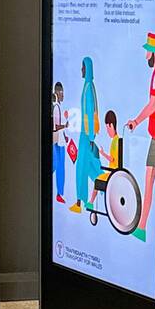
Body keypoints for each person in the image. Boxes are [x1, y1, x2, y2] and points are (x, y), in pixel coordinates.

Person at [126, 31, 155, 229]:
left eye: (147, 51)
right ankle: (141, 226)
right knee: (148, 178)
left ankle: (142, 226)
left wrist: (136, 121)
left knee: (149, 179)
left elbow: (154, 103)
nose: (145, 55)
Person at [70, 56, 100, 215]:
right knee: (87, 167)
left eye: (83, 67)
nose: (81, 70)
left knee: (82, 168)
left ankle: (79, 202)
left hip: (86, 135)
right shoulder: (88, 86)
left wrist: (90, 138)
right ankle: (99, 188)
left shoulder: (88, 87)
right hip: (86, 134)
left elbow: (90, 112)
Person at [51, 81, 68, 204]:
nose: (62, 94)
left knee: (59, 166)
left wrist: (65, 135)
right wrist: (65, 126)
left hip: (60, 140)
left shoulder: (58, 106)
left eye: (62, 92)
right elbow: (56, 127)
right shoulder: (56, 107)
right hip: (57, 141)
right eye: (60, 92)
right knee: (58, 165)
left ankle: (59, 193)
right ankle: (58, 193)